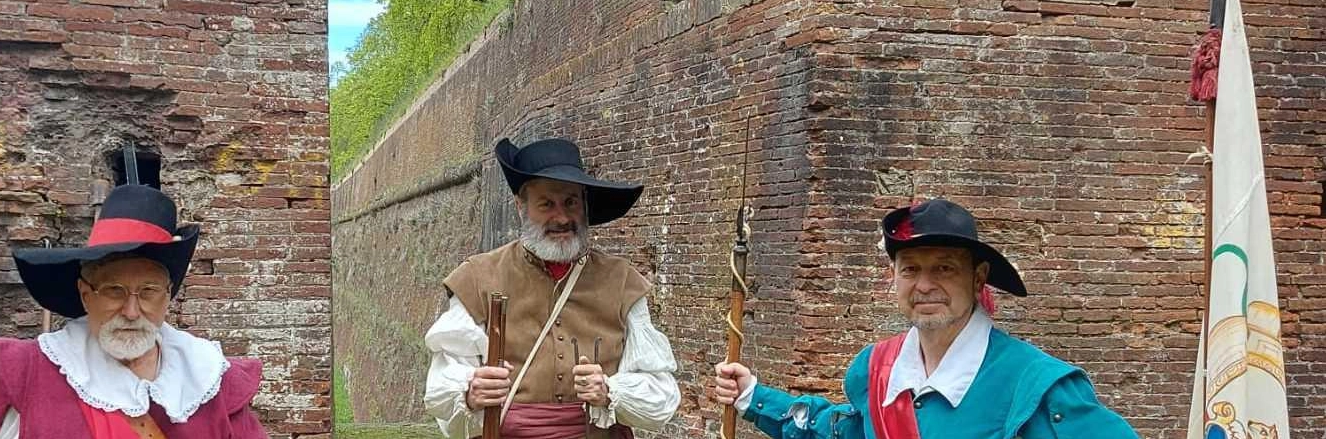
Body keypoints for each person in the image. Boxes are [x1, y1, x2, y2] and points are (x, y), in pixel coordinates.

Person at [712, 198, 1137, 439]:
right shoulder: (877, 370)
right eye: (911, 269)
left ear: (978, 278)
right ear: (893, 279)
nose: (925, 284)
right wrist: (753, 396)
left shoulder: (1041, 387)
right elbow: (837, 431)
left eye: (945, 268)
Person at [0, 183, 267, 438]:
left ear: (168, 296)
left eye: (148, 292)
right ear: (86, 295)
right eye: (114, 291)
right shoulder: (25, 370)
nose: (132, 311)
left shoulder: (207, 379)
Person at [424, 137, 681, 439]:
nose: (561, 217)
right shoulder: (478, 277)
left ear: (584, 206)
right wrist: (470, 391)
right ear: (521, 207)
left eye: (571, 202)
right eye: (547, 204)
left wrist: (609, 391)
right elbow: (440, 390)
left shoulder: (622, 280)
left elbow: (661, 397)